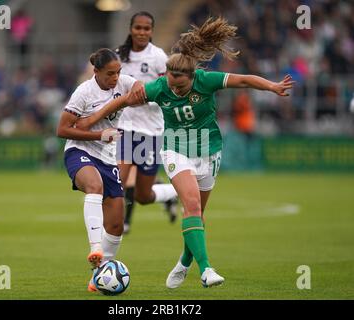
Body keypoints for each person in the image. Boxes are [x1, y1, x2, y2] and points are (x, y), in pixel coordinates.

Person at [77, 17, 294, 288]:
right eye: (171, 83)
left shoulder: (207, 80)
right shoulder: (159, 87)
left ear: (193, 77)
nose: (175, 89)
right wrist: (92, 119)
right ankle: (206, 269)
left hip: (208, 148)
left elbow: (244, 80)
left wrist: (272, 86)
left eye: (181, 85)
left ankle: (184, 262)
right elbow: (123, 100)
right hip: (174, 148)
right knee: (189, 206)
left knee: (196, 216)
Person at [56, 48, 144, 292]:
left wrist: (137, 84)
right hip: (79, 151)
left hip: (107, 157)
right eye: (109, 74)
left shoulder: (123, 81)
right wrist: (98, 135)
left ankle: (98, 277)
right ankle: (96, 249)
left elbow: (139, 87)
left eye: (118, 73)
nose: (115, 79)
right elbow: (62, 129)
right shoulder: (83, 92)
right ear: (96, 72)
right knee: (95, 186)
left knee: (116, 224)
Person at [115, 11, 178, 234]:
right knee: (116, 185)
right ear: (131, 29)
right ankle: (108, 241)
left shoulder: (159, 57)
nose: (142, 32)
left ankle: (171, 192)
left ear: (151, 31)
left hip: (149, 132)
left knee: (143, 196)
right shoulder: (119, 56)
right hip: (123, 129)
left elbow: (168, 89)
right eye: (138, 28)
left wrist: (146, 95)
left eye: (146, 28)